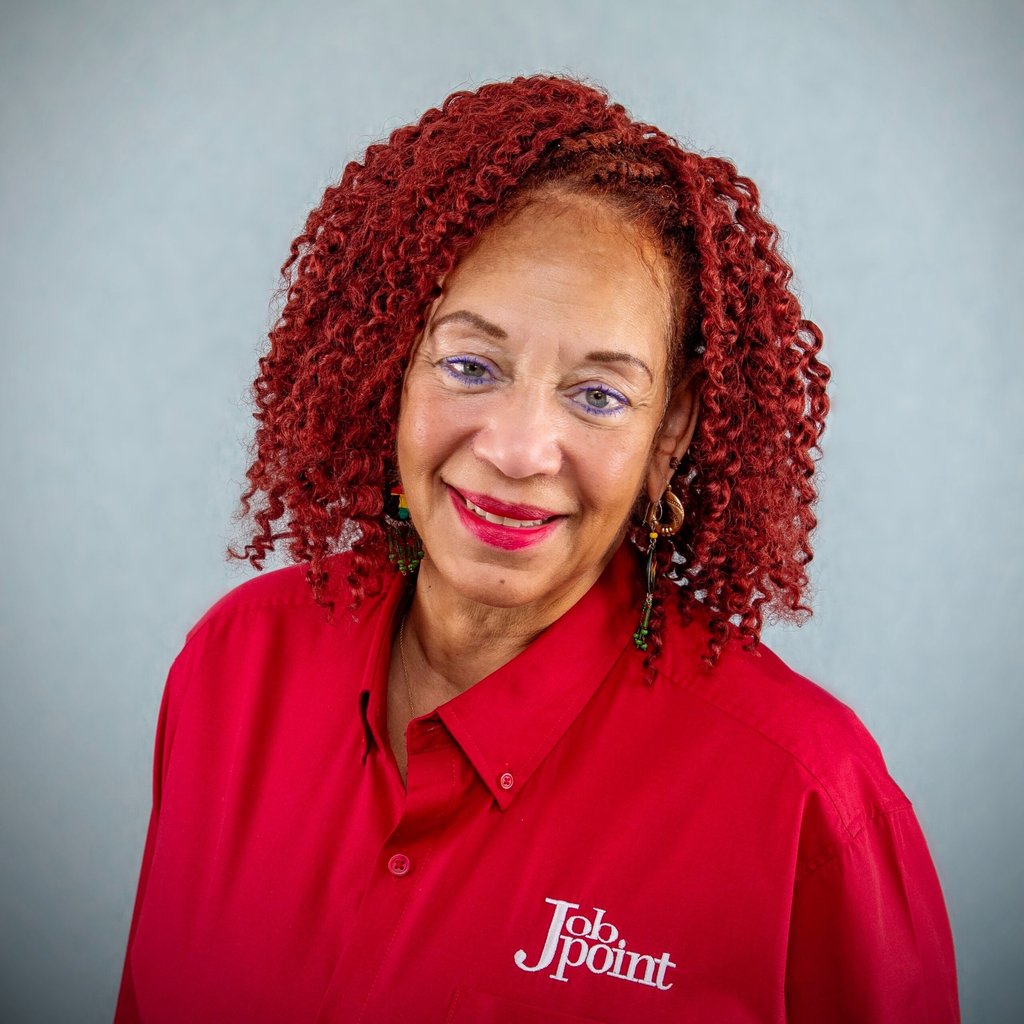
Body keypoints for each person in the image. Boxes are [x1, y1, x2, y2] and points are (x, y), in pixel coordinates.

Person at [115, 74, 959, 1023]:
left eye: (598, 394)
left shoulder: (807, 800)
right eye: (470, 366)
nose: (517, 451)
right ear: (393, 366)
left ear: (669, 435)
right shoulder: (234, 669)